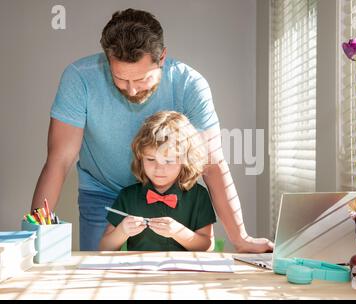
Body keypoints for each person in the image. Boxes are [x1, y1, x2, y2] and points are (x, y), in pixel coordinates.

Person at [31, 8, 273, 252]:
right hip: (102, 193)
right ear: (108, 60)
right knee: (98, 270)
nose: (132, 90)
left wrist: (240, 239)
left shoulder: (190, 84)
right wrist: (35, 236)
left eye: (141, 79)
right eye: (121, 78)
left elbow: (212, 163)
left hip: (171, 193)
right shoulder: (79, 79)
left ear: (162, 58)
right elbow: (59, 161)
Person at [100, 111, 215, 251]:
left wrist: (179, 233)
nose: (159, 168)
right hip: (139, 270)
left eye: (169, 161)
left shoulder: (198, 196)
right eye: (151, 159)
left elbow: (207, 246)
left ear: (186, 160)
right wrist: (122, 231)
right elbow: (104, 247)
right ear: (140, 157)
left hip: (185, 271)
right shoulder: (128, 196)